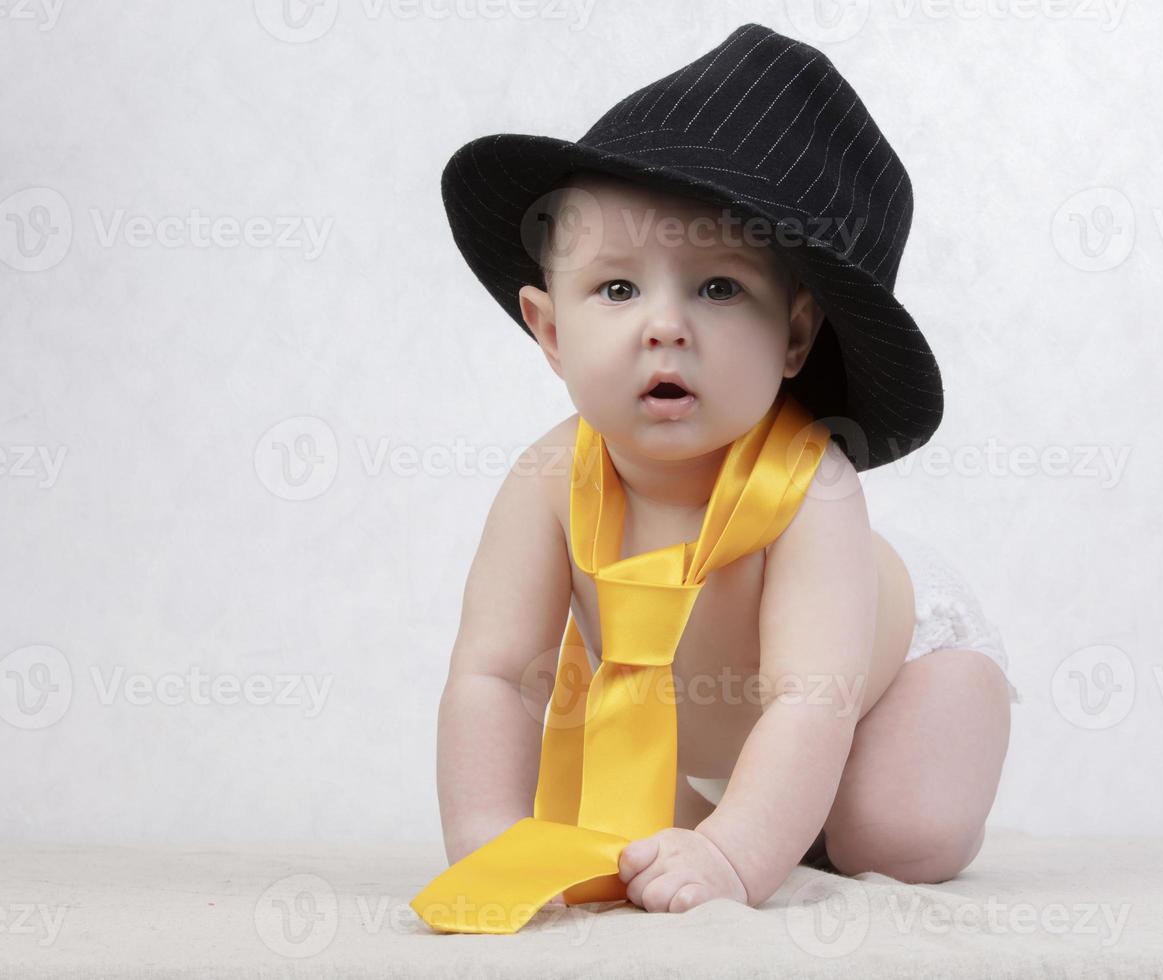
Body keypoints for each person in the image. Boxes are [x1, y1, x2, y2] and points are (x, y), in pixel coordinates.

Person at [432, 22, 1021, 917]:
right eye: (618, 289)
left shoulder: (813, 489)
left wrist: (736, 860)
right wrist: (487, 841)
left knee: (891, 839)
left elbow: (811, 698)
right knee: (629, 831)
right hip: (701, 718)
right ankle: (762, 801)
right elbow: (494, 675)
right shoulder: (546, 480)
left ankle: (846, 794)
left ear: (793, 337)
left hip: (886, 676)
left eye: (718, 288)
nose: (665, 326)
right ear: (550, 331)